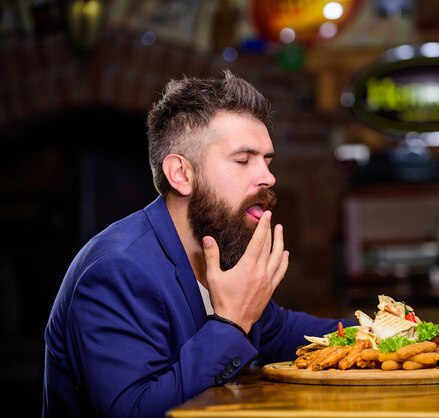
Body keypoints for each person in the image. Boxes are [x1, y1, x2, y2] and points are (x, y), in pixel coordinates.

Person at [43, 70, 352, 417]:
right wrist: (232, 322)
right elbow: (133, 411)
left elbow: (282, 333)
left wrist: (387, 333)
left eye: (267, 160)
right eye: (243, 159)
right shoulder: (117, 269)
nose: (268, 177)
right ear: (181, 174)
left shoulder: (222, 246)